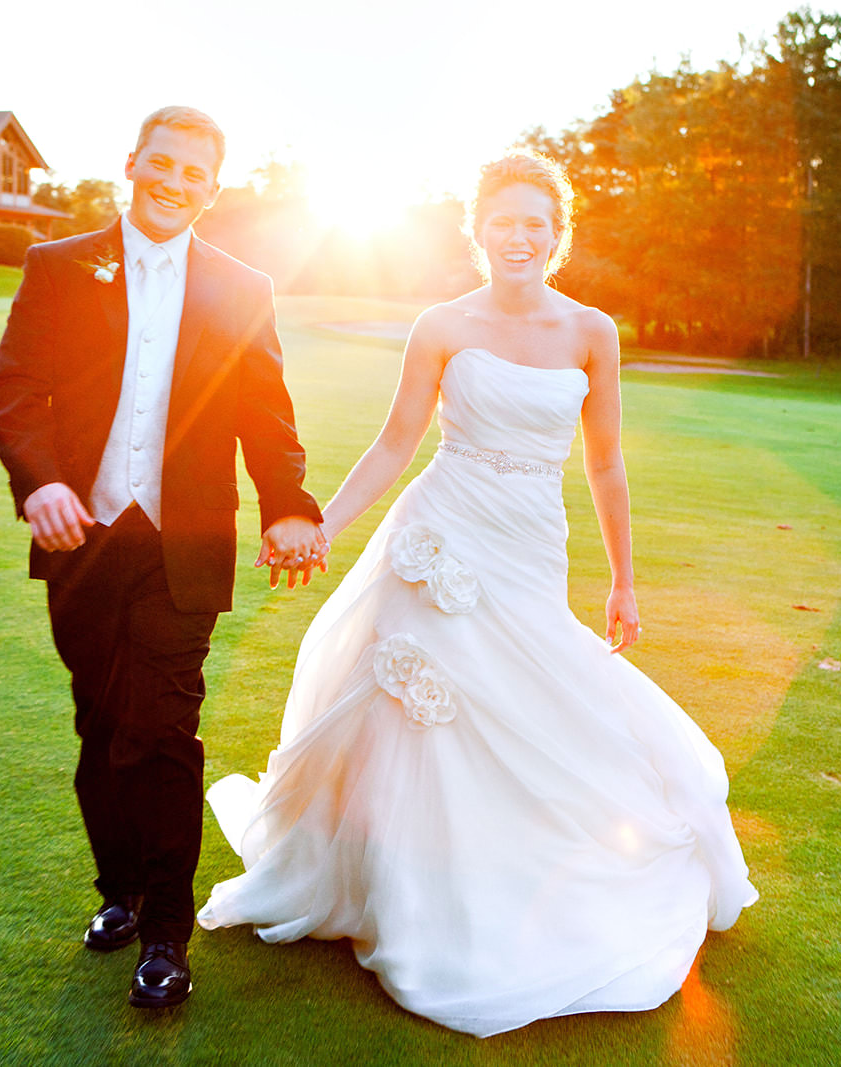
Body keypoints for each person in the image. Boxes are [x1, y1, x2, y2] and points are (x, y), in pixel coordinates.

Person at [197, 150, 758, 1036]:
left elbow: (605, 461)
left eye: (536, 222)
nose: (520, 236)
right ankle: (403, 885)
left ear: (558, 234)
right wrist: (323, 526)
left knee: (536, 699)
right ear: (479, 231)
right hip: (442, 532)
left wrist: (623, 578)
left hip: (531, 541)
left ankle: (517, 875)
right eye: (504, 221)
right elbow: (394, 443)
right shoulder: (441, 324)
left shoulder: (591, 332)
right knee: (418, 706)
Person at [0, 106, 326, 1011]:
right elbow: (17, 389)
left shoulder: (244, 286)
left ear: (213, 190)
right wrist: (39, 482)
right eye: (161, 163)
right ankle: (119, 893)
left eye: (194, 173)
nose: (174, 182)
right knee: (99, 724)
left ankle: (168, 933)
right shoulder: (58, 266)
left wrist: (290, 505)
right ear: (133, 163)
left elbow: (268, 410)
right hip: (82, 540)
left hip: (187, 543)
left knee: (163, 728)